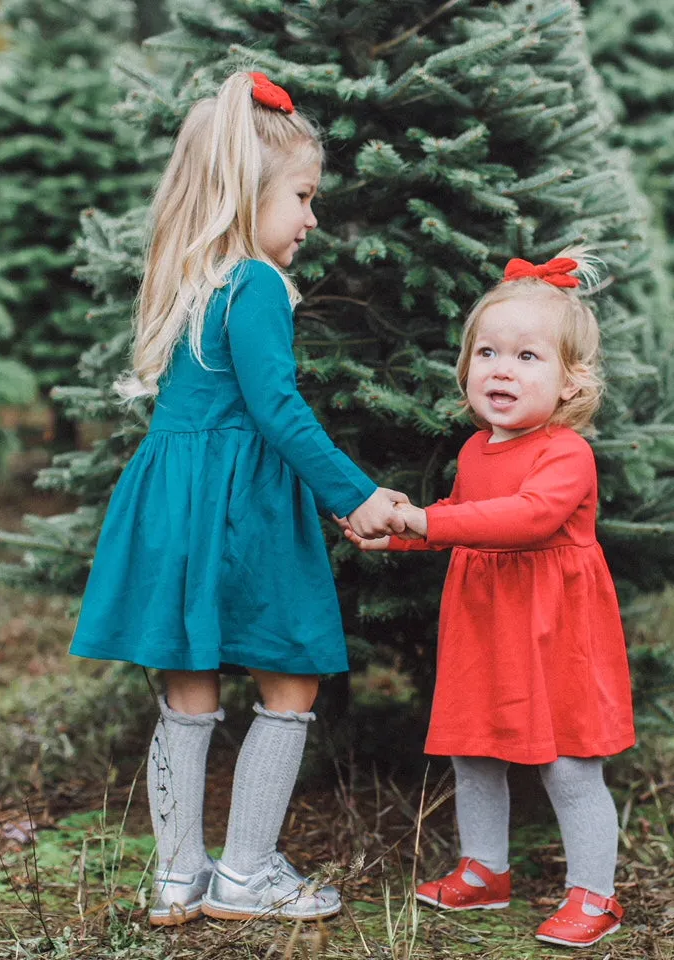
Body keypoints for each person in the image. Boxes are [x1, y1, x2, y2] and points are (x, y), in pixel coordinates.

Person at [70, 70, 408, 925]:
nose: (311, 218)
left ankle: (177, 877)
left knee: (187, 692)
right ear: (245, 191)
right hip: (242, 508)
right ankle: (247, 875)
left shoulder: (189, 278)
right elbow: (277, 408)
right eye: (302, 196)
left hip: (169, 503)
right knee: (291, 681)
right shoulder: (255, 283)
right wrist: (353, 494)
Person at [343, 251, 635, 949]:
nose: (502, 369)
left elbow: (526, 520)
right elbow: (464, 521)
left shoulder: (566, 453)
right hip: (487, 622)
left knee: (567, 762)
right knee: (474, 748)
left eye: (528, 356)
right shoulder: (478, 449)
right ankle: (484, 871)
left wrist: (426, 521)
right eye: (488, 352)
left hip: (555, 626)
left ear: (572, 383)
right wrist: (404, 536)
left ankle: (595, 895)